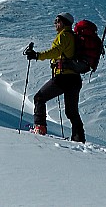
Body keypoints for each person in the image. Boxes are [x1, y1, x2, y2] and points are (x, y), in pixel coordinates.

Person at [24, 12, 85, 143]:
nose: (55, 23)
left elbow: (55, 52)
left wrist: (36, 56)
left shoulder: (63, 36)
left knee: (39, 97)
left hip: (63, 78)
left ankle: (40, 128)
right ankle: (79, 138)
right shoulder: (73, 37)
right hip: (75, 79)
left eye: (57, 21)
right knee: (71, 112)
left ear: (63, 23)